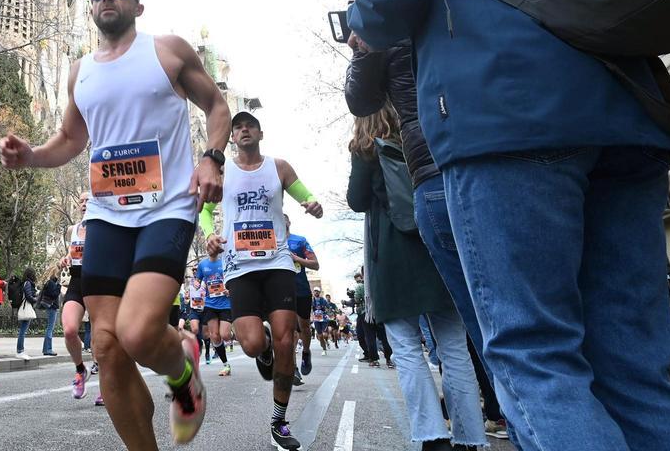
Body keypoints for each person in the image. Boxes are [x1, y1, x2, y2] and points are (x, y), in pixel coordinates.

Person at [347, 0, 670, 450]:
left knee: (535, 354)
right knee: (639, 365)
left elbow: (386, 4)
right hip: (621, 114)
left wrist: (358, 23)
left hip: (504, 125)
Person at [0, 0, 230, 449]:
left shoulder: (167, 50)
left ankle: (183, 368)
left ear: (137, 5)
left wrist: (211, 159)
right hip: (106, 214)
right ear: (90, 7)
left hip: (166, 208)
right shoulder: (80, 72)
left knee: (140, 332)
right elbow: (68, 139)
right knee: (106, 345)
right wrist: (32, 157)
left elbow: (216, 106)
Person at [347, 107, 485, 450]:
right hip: (435, 243)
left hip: (391, 256)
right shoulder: (422, 130)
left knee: (407, 349)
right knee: (454, 348)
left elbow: (356, 199)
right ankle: (470, 437)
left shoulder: (365, 148)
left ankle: (432, 436)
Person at [200, 110, 323, 450]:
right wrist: (209, 235)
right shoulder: (222, 173)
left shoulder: (279, 168)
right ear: (232, 138)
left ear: (260, 133)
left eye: (249, 125)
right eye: (237, 127)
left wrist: (313, 205)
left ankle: (278, 422)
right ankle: (264, 347)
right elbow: (206, 211)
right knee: (252, 343)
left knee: (287, 339)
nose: (243, 130)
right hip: (239, 266)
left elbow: (307, 196)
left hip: (278, 262)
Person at [60, 194, 94, 399]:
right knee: (70, 330)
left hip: (99, 281)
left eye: (88, 200)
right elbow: (72, 254)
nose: (84, 204)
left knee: (101, 337)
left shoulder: (104, 228)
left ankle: (106, 383)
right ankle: (81, 369)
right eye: (81, 201)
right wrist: (65, 259)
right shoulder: (72, 230)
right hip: (77, 280)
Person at [194, 240, 233, 377]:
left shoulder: (225, 261)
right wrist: (196, 283)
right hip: (210, 304)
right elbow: (197, 279)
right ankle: (225, 364)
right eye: (208, 244)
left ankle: (232, 335)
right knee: (214, 336)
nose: (210, 247)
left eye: (213, 244)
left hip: (225, 303)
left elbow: (232, 278)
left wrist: (230, 289)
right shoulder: (202, 264)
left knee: (225, 335)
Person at [285, 232, 318, 378]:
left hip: (302, 290)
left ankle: (306, 352)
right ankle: (293, 368)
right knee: (289, 330)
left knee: (304, 327)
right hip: (283, 292)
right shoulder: (269, 239)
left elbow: (315, 264)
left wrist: (296, 258)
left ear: (288, 222)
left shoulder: (299, 241)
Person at [16, 266, 38, 359]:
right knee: (22, 330)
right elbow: (28, 296)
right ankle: (20, 351)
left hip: (25, 306)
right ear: (31, 274)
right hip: (26, 307)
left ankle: (20, 350)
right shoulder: (28, 283)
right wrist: (36, 299)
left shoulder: (26, 283)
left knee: (23, 330)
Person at [38, 272, 61, 356]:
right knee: (50, 328)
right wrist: (59, 286)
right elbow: (54, 294)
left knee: (49, 328)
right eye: (58, 274)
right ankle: (48, 349)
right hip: (52, 307)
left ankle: (46, 349)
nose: (59, 276)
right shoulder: (52, 283)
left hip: (50, 307)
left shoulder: (49, 282)